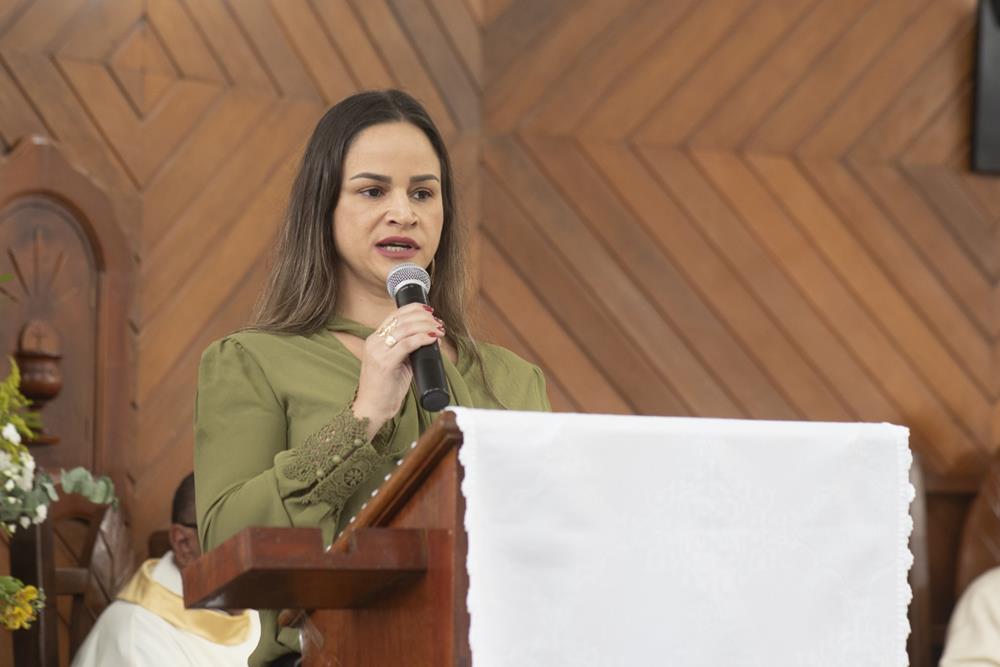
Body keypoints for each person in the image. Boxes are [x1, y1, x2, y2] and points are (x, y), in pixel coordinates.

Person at [194, 89, 550, 666]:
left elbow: (552, 544)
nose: (404, 212)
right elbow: (228, 549)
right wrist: (363, 416)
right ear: (323, 207)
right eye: (372, 190)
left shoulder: (514, 379)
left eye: (423, 193)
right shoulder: (252, 361)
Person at [72, 473, 260, 666]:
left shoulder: (258, 616)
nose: (257, 553)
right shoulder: (138, 636)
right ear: (183, 543)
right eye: (238, 536)